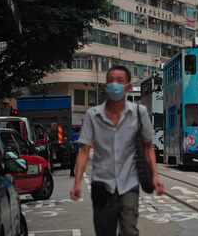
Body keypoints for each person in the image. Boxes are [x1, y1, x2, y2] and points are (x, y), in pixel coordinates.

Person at [70, 66, 165, 236]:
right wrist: (77, 183)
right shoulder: (93, 115)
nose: (115, 85)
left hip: (129, 183)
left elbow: (148, 146)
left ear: (128, 86)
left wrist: (155, 176)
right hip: (102, 185)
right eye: (111, 81)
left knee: (129, 230)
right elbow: (84, 151)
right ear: (106, 85)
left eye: (120, 81)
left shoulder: (139, 112)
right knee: (104, 232)